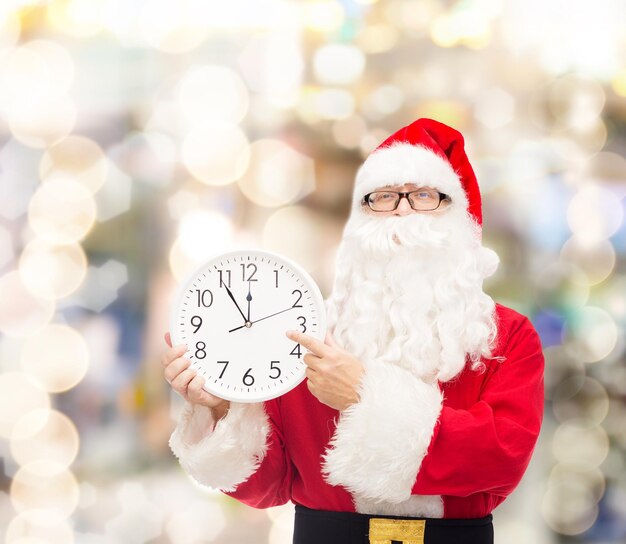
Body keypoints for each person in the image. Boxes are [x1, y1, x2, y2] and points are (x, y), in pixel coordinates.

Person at [161, 118, 544, 544]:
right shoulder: (308, 332)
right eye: (383, 197)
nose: (401, 209)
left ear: (459, 217)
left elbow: (500, 460)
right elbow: (268, 484)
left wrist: (365, 395)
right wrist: (219, 409)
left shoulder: (508, 337)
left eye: (422, 195)